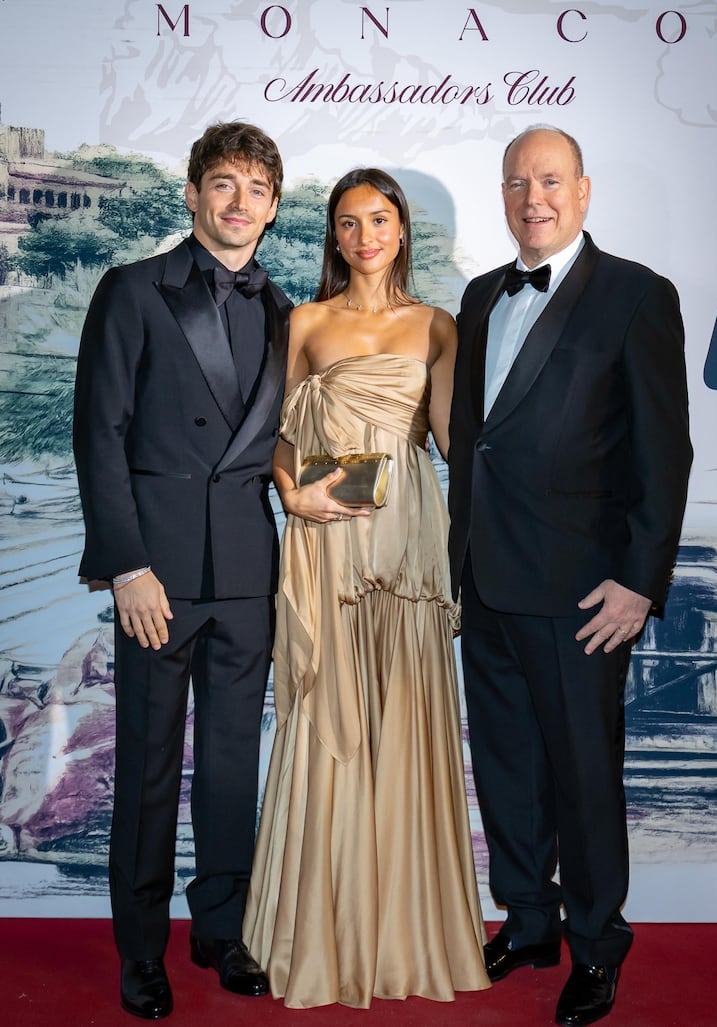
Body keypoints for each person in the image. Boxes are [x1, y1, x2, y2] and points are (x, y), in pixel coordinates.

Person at [447, 126, 692, 1027]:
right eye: (517, 183)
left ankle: (596, 945)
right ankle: (530, 919)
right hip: (487, 583)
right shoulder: (479, 297)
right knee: (507, 768)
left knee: (585, 778)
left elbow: (665, 455)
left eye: (550, 181)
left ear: (583, 191)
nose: (532, 198)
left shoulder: (636, 295)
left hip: (586, 593)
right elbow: (478, 440)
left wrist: (640, 580)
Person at [242, 168, 489, 1008]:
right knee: (331, 722)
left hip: (409, 548)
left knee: (406, 721)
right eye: (347, 224)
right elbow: (275, 437)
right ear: (332, 237)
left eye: (377, 220)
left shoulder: (439, 327)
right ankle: (322, 932)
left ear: (401, 228)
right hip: (329, 539)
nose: (363, 237)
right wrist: (290, 490)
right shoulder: (304, 321)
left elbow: (456, 444)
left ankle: (407, 933)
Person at [73, 121, 291, 1020]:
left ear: (274, 211)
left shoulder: (287, 312)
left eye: (258, 191)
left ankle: (221, 928)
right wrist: (126, 564)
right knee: (150, 768)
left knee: (235, 764)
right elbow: (100, 435)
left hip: (247, 571)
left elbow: (293, 446)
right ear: (194, 194)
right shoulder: (133, 290)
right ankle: (139, 950)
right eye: (226, 185)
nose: (240, 204)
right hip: (156, 575)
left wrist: (367, 494)